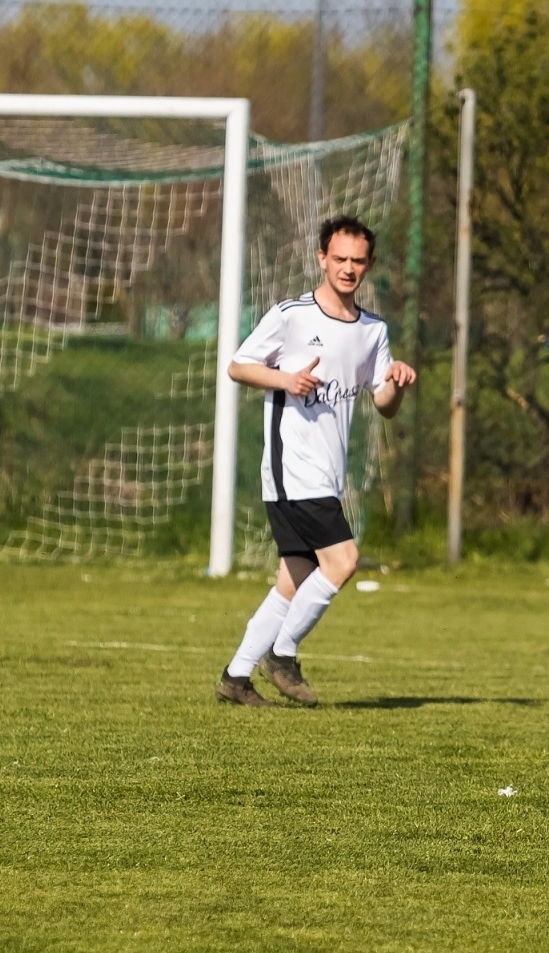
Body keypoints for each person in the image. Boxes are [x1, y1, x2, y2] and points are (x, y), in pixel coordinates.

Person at [215, 215, 416, 707]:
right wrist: (287, 381)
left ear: (369, 265)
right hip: (292, 470)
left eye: (358, 261)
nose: (349, 269)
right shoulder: (291, 316)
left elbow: (382, 405)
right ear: (322, 258)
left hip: (328, 473)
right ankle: (282, 655)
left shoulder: (373, 330)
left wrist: (396, 383)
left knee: (296, 578)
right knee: (343, 560)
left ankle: (236, 678)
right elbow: (238, 366)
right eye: (340, 259)